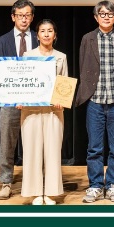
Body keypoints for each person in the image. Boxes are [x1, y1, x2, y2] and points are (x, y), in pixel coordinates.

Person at [73, 0, 114, 203]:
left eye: (110, 14)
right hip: (95, 100)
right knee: (94, 148)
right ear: (96, 17)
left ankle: (112, 185)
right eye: (102, 14)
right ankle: (95, 185)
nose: (106, 17)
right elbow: (83, 67)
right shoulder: (87, 38)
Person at [20, 19, 68, 205]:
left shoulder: (61, 56)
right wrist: (20, 98)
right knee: (32, 151)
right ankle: (34, 193)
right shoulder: (27, 55)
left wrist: (62, 100)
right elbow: (21, 80)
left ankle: (50, 192)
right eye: (42, 31)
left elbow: (64, 83)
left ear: (55, 35)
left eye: (50, 31)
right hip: (30, 110)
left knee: (52, 151)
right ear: (37, 35)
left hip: (53, 111)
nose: (46, 34)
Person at [0, 0, 38, 200]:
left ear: (32, 17)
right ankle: (6, 182)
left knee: (34, 142)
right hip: (9, 100)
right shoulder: (2, 41)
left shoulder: (39, 37)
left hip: (34, 100)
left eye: (27, 15)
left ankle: (34, 180)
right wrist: (14, 96)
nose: (24, 19)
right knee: (7, 142)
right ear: (13, 17)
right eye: (20, 15)